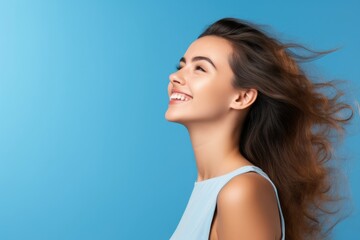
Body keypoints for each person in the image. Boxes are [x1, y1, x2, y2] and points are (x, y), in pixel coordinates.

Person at [165, 18, 353, 240]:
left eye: (200, 68)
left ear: (242, 97)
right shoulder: (213, 188)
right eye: (181, 66)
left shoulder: (241, 192)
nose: (175, 77)